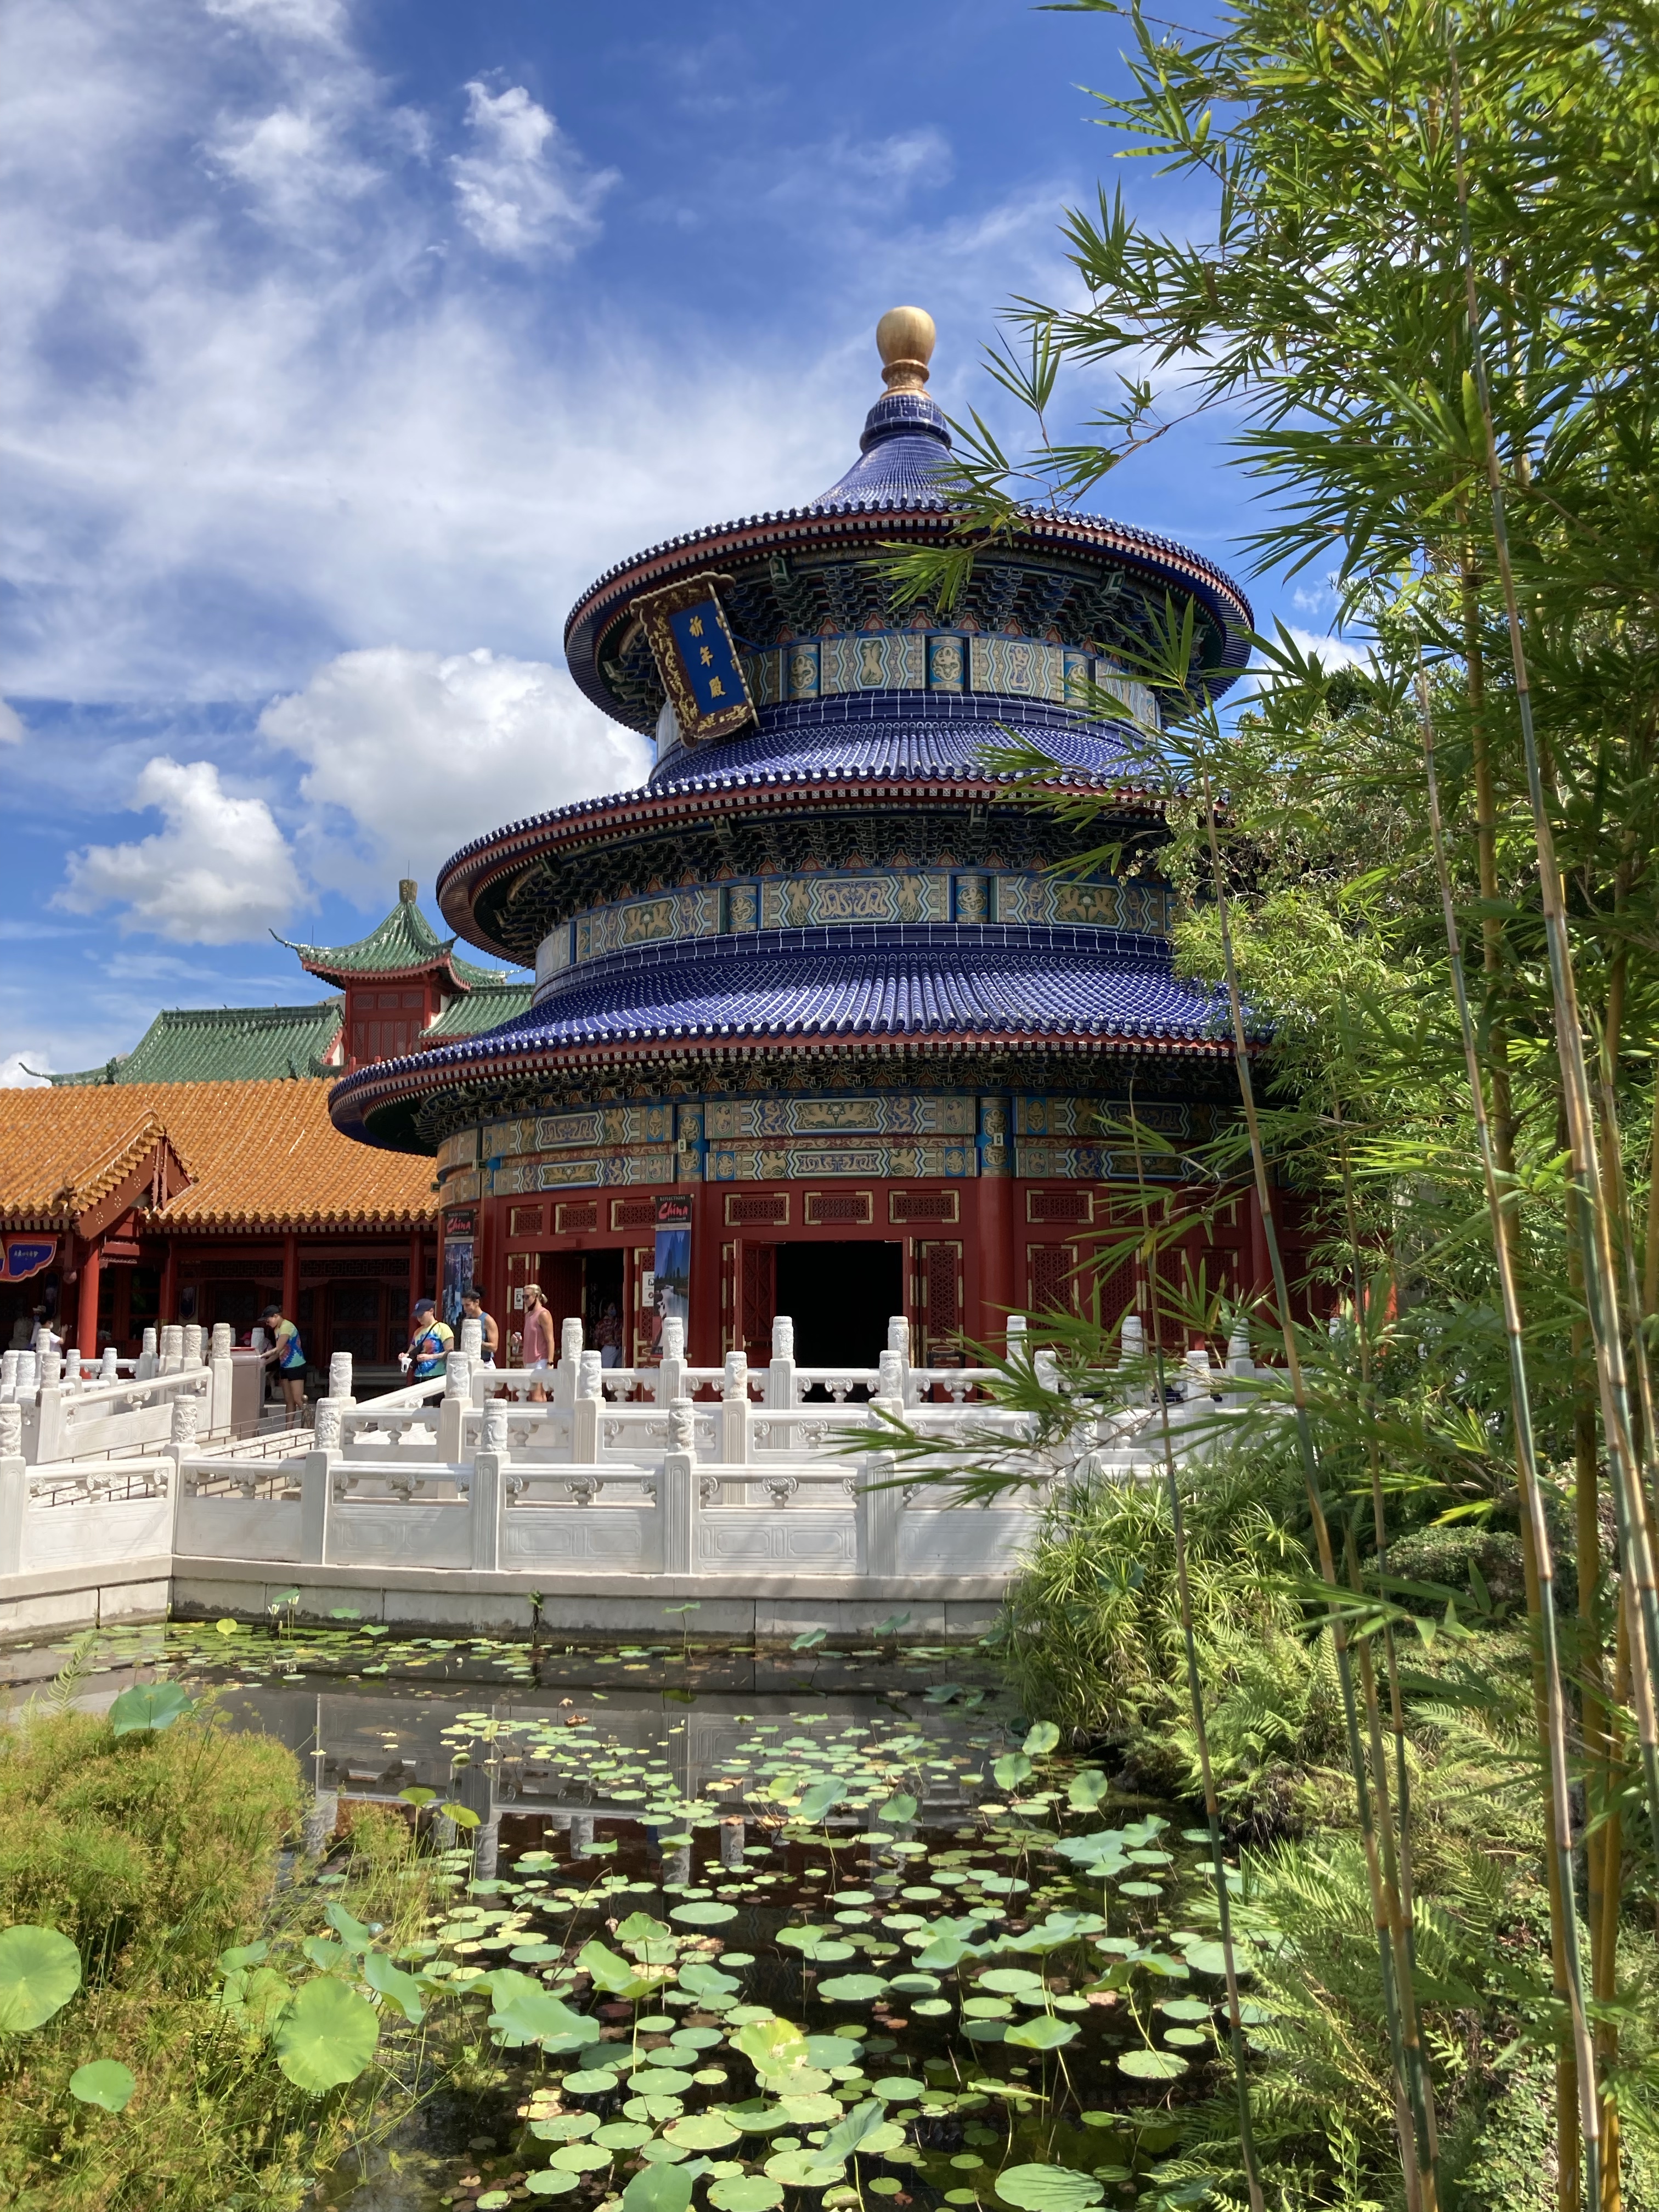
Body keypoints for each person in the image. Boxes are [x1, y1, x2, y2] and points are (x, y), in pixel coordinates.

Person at [259, 1302, 308, 1426]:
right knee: (289, 1401)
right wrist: (264, 1363)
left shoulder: (287, 1326)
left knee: (298, 1399)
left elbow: (277, 1349)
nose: (267, 1323)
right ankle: (288, 1429)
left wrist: (262, 1356)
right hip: (285, 1366)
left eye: (268, 1320)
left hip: (296, 1366)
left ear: (275, 1316)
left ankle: (311, 1425)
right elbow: (279, 1353)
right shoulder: (277, 1329)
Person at [401, 1299, 454, 1384]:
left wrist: (430, 1357)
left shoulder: (442, 1328)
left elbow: (450, 1352)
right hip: (418, 1376)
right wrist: (404, 1356)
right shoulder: (417, 1332)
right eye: (417, 1316)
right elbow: (410, 1353)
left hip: (437, 1375)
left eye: (421, 1315)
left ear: (431, 1311)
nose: (419, 1318)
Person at [519, 1283, 555, 1403]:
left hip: (540, 1360)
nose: (525, 1300)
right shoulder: (528, 1316)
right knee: (533, 1397)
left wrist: (550, 1362)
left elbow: (550, 1339)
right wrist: (518, 1341)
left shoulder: (544, 1314)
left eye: (527, 1297)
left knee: (537, 1397)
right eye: (523, 1297)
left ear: (537, 1297)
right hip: (528, 1360)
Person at [459, 1285, 499, 1365]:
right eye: (463, 1306)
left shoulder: (488, 1320)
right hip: (469, 1363)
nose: (465, 1309)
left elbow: (494, 1347)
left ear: (477, 1302)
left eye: (468, 1305)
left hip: (485, 1363)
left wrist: (476, 1342)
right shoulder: (466, 1321)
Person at [596, 1300, 623, 1369]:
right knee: (606, 1369)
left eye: (614, 1308)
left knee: (619, 1370)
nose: (614, 1310)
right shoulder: (602, 1324)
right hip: (609, 1348)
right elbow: (597, 1338)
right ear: (606, 1310)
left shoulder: (619, 1322)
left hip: (619, 1348)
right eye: (612, 1308)